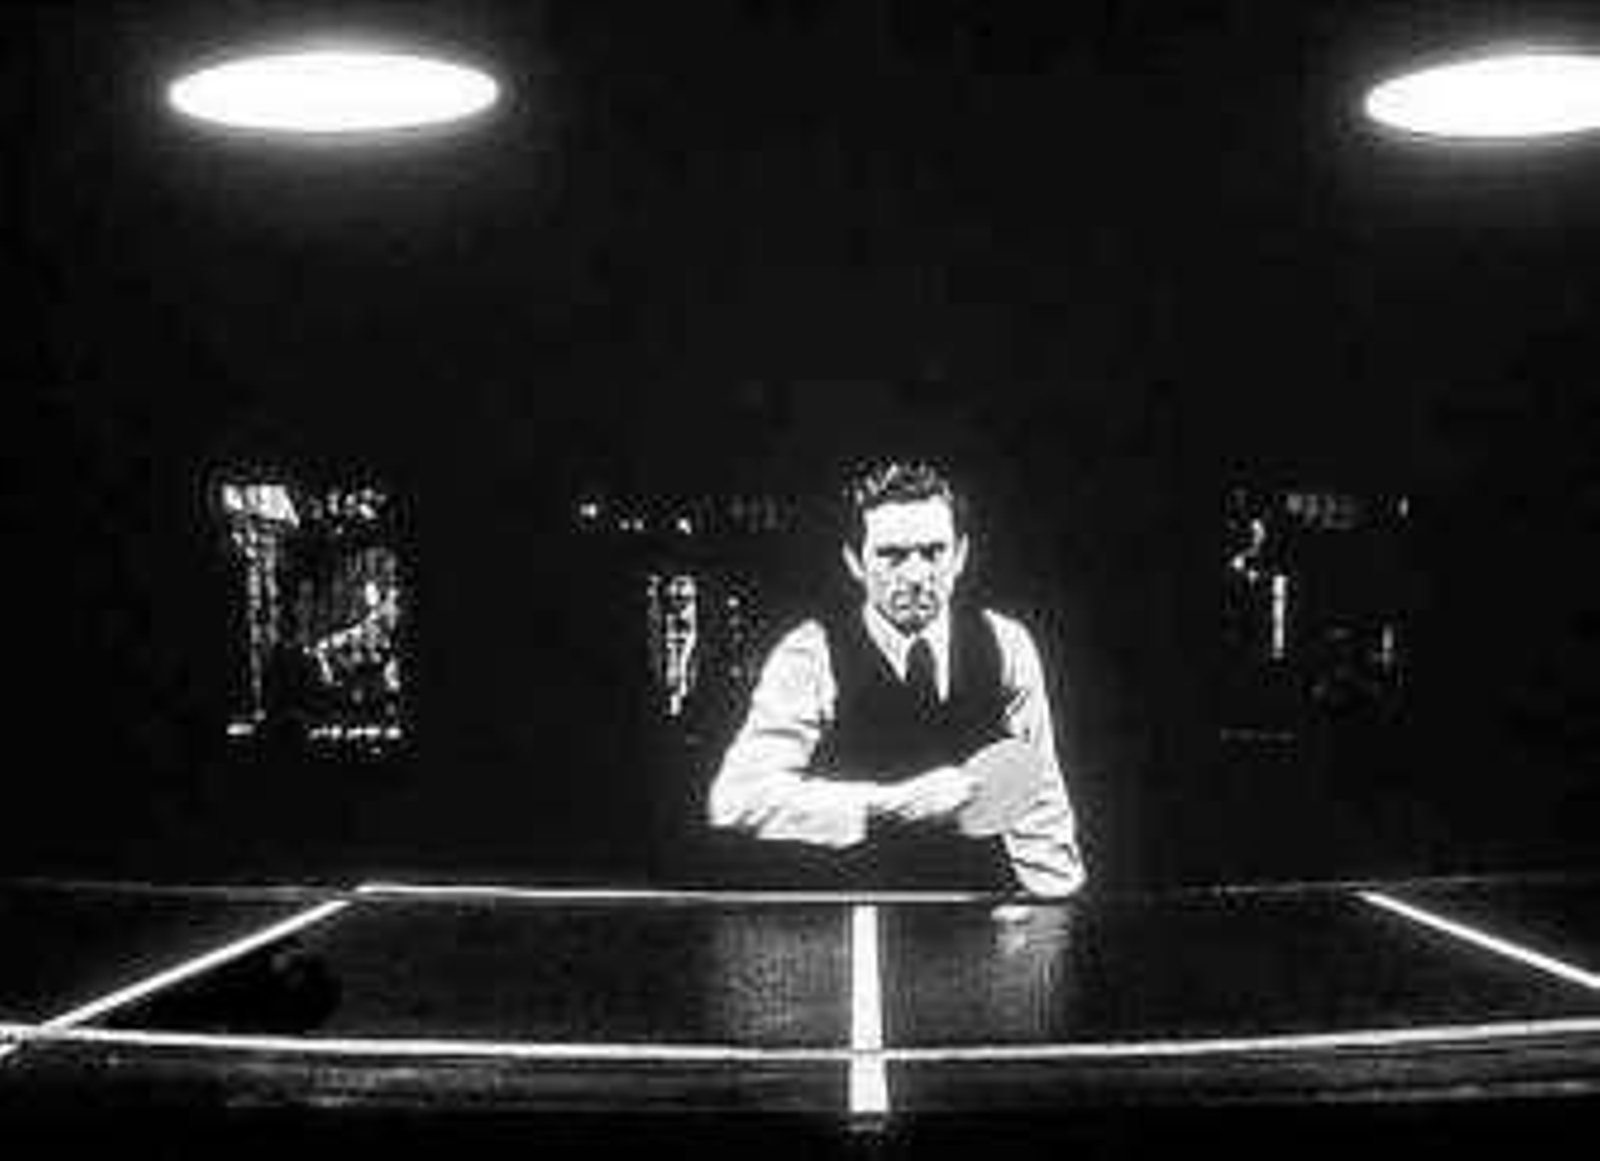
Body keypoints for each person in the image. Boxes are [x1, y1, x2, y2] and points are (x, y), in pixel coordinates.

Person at [707, 460, 1086, 895]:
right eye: (892, 556)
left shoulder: (1007, 642)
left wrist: (1060, 919)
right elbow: (737, 799)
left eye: (933, 552)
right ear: (855, 562)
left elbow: (1040, 799)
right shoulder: (809, 653)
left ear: (961, 555)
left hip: (973, 912)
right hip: (846, 908)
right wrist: (894, 804)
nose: (916, 576)